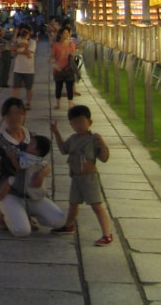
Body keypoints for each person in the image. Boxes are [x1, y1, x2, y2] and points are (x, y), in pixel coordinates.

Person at [0, 98, 65, 237]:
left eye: (18, 113)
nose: (14, 117)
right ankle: (5, 215)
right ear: (4, 117)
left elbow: (44, 164)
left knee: (59, 220)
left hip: (31, 193)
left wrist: (41, 174)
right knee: (22, 231)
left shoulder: (32, 137)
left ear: (24, 114)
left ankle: (26, 212)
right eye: (9, 114)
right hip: (10, 192)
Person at [50, 105, 113, 246]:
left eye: (81, 121)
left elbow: (104, 157)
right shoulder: (73, 138)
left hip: (89, 177)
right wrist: (56, 132)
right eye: (74, 122)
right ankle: (69, 225)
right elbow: (63, 149)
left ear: (89, 122)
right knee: (73, 203)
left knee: (96, 205)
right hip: (76, 176)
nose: (78, 125)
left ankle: (107, 234)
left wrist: (102, 142)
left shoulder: (93, 139)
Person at [0, 134, 53, 203]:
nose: (28, 144)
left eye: (31, 144)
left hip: (25, 184)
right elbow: (47, 166)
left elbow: (18, 167)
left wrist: (12, 158)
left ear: (37, 151)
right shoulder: (39, 159)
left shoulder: (29, 159)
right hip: (32, 185)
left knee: (9, 180)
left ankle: (0, 196)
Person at [51, 28, 78, 110]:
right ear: (60, 34)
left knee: (69, 87)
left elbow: (74, 57)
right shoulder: (56, 45)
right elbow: (52, 58)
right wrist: (55, 66)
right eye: (65, 33)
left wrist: (74, 55)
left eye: (68, 33)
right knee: (58, 87)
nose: (67, 35)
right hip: (58, 70)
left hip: (69, 70)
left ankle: (70, 104)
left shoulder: (71, 45)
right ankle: (58, 103)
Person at [10, 25, 36, 109]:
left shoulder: (32, 42)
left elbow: (29, 52)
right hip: (17, 68)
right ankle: (15, 104)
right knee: (16, 87)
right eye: (22, 30)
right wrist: (20, 46)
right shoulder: (17, 40)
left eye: (26, 31)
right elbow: (12, 49)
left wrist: (18, 50)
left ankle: (28, 103)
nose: (24, 32)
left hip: (29, 69)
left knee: (29, 88)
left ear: (29, 32)